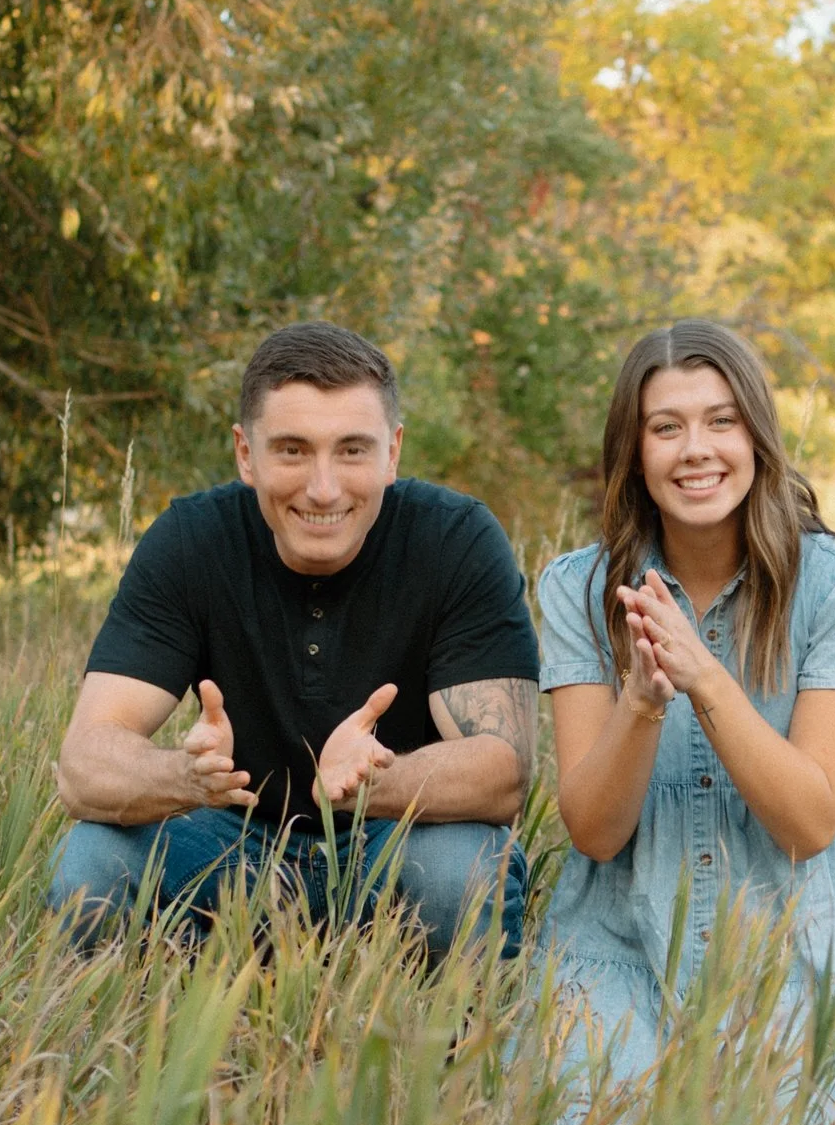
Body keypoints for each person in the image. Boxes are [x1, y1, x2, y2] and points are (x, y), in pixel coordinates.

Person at [537, 319, 835, 1125]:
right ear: (636, 450)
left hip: (800, 930)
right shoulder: (578, 589)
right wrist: (644, 705)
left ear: (757, 437)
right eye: (667, 427)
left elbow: (809, 822)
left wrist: (705, 677)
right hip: (626, 931)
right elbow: (592, 829)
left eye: (721, 421)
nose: (697, 450)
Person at [49, 320, 538, 959]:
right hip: (231, 841)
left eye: (352, 450)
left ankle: (421, 1031)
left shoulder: (459, 541)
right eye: (292, 450)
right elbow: (83, 766)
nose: (324, 488)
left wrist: (368, 785)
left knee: (460, 877)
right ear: (246, 453)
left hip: (395, 838)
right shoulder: (190, 541)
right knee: (89, 864)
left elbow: (503, 772)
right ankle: (191, 1015)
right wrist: (188, 777)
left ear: (393, 451)